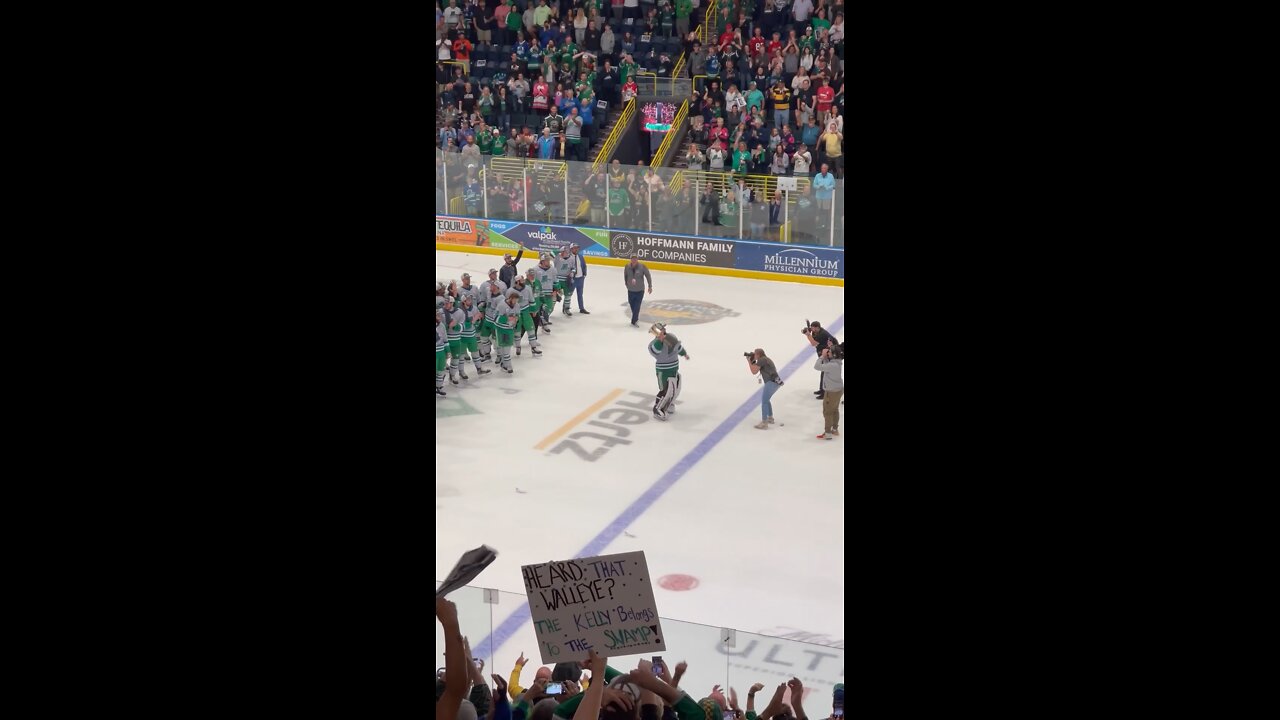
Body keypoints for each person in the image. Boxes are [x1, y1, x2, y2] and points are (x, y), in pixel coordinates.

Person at [648, 322, 690, 420]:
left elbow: (677, 347)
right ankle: (658, 409)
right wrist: (660, 341)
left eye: (664, 330)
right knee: (666, 390)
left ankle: (668, 404)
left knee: (675, 388)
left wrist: (684, 354)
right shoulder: (653, 344)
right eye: (661, 331)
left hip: (674, 367)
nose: (664, 332)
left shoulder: (671, 337)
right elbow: (655, 351)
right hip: (663, 370)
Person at [746, 348, 783, 428]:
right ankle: (770, 418)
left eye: (755, 354)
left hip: (771, 382)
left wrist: (749, 361)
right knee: (767, 400)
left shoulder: (762, 360)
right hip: (775, 382)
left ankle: (764, 422)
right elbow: (756, 368)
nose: (754, 356)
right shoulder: (766, 359)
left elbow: (754, 371)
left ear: (758, 354)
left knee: (764, 401)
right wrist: (752, 361)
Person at [813, 343, 843, 439]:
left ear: (833, 354)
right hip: (838, 389)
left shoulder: (832, 365)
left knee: (828, 412)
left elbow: (817, 366)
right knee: (835, 410)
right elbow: (827, 365)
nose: (828, 352)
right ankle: (834, 429)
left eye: (830, 351)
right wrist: (826, 357)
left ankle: (828, 433)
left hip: (831, 391)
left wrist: (822, 356)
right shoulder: (837, 362)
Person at [804, 320, 834, 398]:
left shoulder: (822, 334)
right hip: (823, 353)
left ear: (817, 328)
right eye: (811, 328)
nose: (812, 330)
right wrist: (808, 331)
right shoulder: (816, 331)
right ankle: (822, 389)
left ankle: (824, 392)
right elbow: (813, 338)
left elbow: (813, 343)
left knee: (825, 373)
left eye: (813, 328)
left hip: (829, 354)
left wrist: (807, 335)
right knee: (823, 372)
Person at [623, 255, 653, 327]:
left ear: (637, 259)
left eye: (635, 258)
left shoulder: (642, 266)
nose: (634, 260)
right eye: (632, 258)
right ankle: (635, 316)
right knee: (631, 303)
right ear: (630, 259)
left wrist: (650, 286)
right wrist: (627, 285)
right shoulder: (627, 266)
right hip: (630, 290)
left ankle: (633, 320)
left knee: (637, 305)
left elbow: (648, 276)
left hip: (640, 290)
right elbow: (625, 276)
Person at [570, 243, 590, 313]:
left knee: (580, 294)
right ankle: (566, 307)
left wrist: (584, 274)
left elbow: (584, 265)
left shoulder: (580, 256)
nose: (577, 249)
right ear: (571, 249)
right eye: (575, 248)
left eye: (577, 248)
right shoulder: (569, 257)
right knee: (569, 294)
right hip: (573, 279)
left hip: (581, 278)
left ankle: (581, 308)